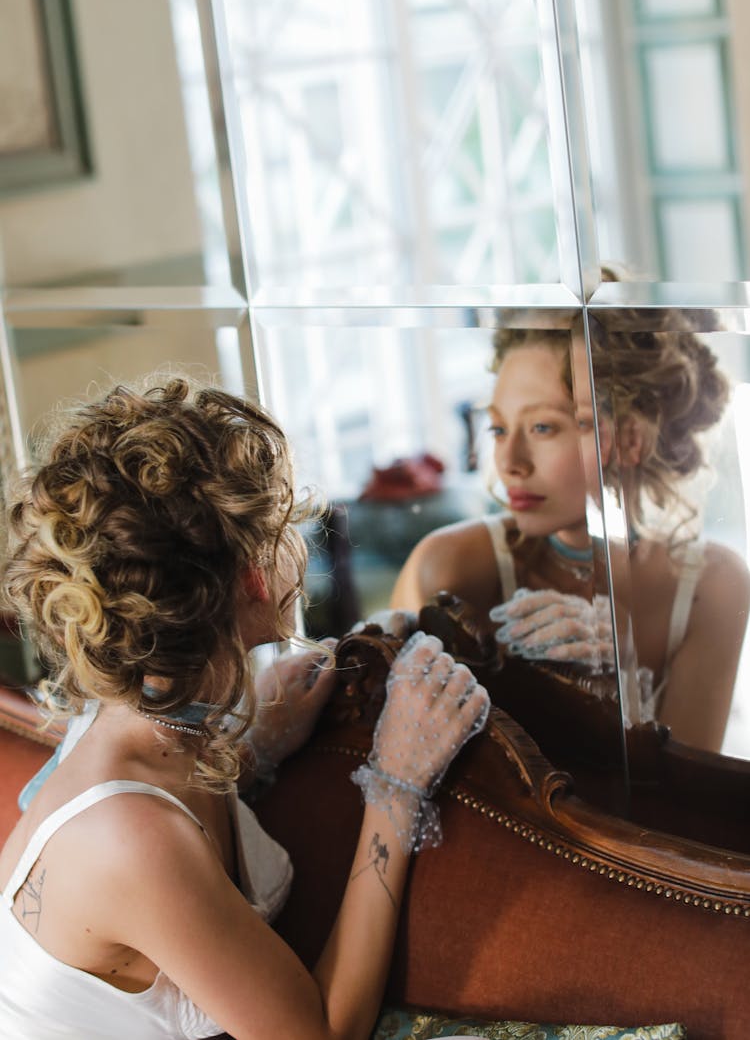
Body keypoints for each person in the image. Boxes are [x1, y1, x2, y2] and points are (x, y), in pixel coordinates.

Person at [0, 377, 489, 1040]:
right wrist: (397, 786)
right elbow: (318, 1034)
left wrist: (256, 746)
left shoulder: (144, 720)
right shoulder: (130, 833)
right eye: (288, 526)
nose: (300, 546)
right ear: (255, 571)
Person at [390, 308, 750, 752]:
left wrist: (618, 679)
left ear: (631, 438)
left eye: (543, 426)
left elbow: (685, 802)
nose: (509, 462)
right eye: (500, 428)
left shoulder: (712, 585)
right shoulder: (449, 566)